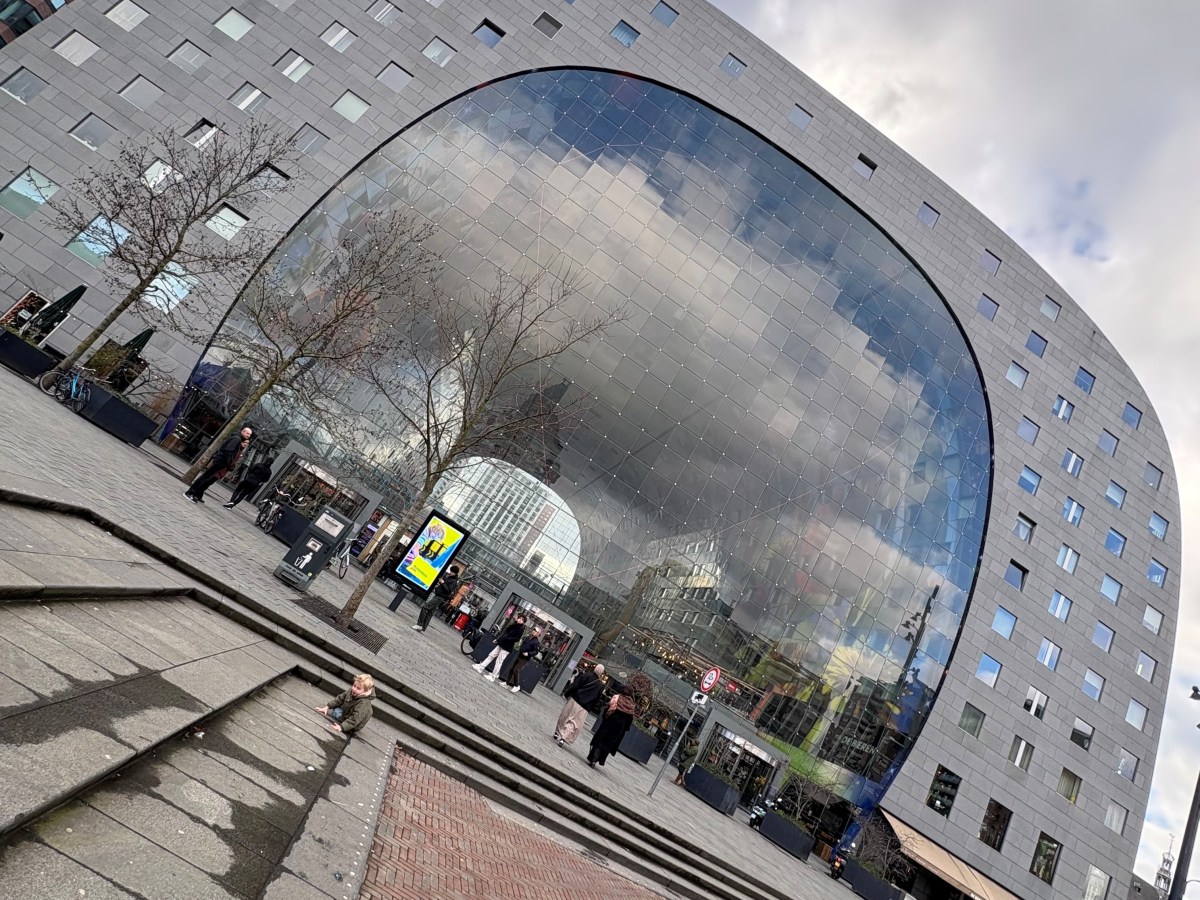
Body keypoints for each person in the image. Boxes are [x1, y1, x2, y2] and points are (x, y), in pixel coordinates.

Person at [185, 426, 253, 503]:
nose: (248, 435)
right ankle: (190, 492)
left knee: (206, 478)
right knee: (205, 477)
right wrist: (228, 463)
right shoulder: (236, 439)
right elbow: (228, 452)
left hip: (221, 462)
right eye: (247, 433)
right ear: (242, 431)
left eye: (250, 434)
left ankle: (194, 493)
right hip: (221, 462)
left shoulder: (237, 439)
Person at [554, 663, 604, 746]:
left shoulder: (586, 675)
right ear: (601, 672)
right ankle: (564, 738)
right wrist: (590, 708)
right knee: (574, 723)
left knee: (565, 716)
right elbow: (596, 700)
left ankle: (557, 732)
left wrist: (567, 694)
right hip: (584, 707)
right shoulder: (599, 686)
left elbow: (575, 685)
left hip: (574, 700)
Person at [587, 684, 635, 768]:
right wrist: (624, 729)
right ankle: (599, 759)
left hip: (609, 723)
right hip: (619, 729)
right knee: (607, 743)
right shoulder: (631, 706)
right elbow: (629, 720)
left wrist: (604, 718)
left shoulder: (617, 698)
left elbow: (608, 709)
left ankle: (593, 758)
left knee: (600, 740)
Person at [472, 614, 525, 683]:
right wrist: (499, 639)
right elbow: (505, 633)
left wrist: (506, 639)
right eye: (519, 618)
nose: (520, 620)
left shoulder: (520, 629)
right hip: (502, 644)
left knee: (499, 661)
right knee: (491, 655)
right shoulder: (513, 625)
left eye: (522, 619)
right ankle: (481, 667)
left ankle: (493, 676)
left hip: (507, 647)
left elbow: (516, 639)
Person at [414, 564, 460, 632]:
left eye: (452, 572)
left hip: (440, 597)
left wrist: (442, 583)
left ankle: (419, 624)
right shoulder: (449, 578)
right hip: (438, 595)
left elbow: (448, 590)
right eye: (451, 571)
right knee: (430, 612)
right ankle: (423, 627)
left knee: (425, 607)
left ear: (455, 573)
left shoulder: (454, 582)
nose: (450, 573)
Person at [506, 627, 543, 693]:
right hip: (520, 655)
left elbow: (536, 652)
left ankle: (517, 685)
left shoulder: (536, 642)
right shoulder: (528, 637)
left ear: (538, 634)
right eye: (534, 630)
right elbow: (523, 644)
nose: (534, 631)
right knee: (512, 669)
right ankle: (507, 683)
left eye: (536, 631)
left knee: (516, 670)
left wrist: (528, 653)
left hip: (525, 659)